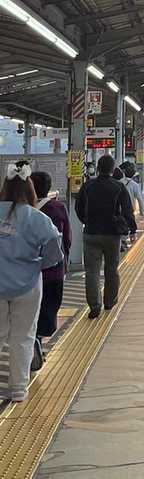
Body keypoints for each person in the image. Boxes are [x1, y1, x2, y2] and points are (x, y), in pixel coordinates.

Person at [0, 161, 62, 403]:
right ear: (30, 188)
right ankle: (18, 388)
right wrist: (38, 264)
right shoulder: (37, 218)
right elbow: (54, 251)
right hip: (27, 285)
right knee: (23, 335)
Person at [74, 154, 136, 318]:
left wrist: (86, 221)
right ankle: (109, 301)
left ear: (98, 168)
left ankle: (94, 306)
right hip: (112, 234)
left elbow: (78, 207)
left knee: (92, 271)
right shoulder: (118, 187)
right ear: (113, 169)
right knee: (111, 269)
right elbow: (128, 210)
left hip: (91, 233)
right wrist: (132, 229)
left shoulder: (87, 186)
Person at [29, 170, 71, 372]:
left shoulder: (22, 211)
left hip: (27, 273)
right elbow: (67, 240)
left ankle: (32, 338)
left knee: (28, 312)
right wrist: (65, 264)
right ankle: (38, 337)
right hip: (53, 272)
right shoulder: (58, 208)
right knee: (49, 308)